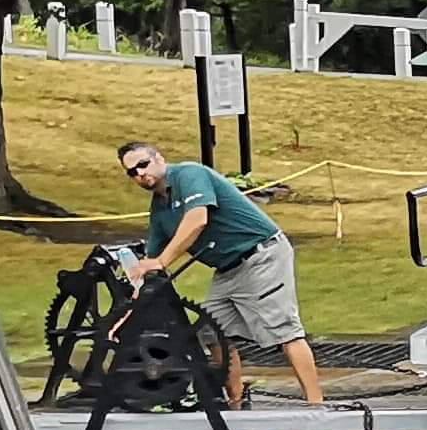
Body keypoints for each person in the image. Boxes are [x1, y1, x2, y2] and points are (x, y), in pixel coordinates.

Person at [114, 136, 324, 407]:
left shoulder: (189, 175)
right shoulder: (159, 209)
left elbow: (197, 219)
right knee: (211, 332)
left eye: (143, 164)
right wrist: (129, 306)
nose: (140, 174)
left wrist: (162, 262)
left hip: (261, 255)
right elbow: (149, 262)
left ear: (159, 159)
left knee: (284, 331)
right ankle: (235, 401)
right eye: (132, 172)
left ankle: (317, 406)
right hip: (227, 269)